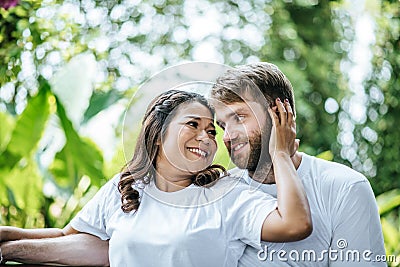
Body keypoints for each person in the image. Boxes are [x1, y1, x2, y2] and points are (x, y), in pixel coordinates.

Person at [0, 89, 312, 266]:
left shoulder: (225, 194)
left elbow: (295, 225)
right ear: (159, 133)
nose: (206, 137)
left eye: (211, 131)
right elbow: (79, 241)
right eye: (193, 124)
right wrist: (7, 242)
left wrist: (280, 154)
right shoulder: (128, 187)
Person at [210, 62, 386, 266]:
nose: (228, 136)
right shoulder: (222, 193)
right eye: (223, 125)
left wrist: (280, 155)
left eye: (239, 118)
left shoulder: (345, 188)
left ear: (280, 114)